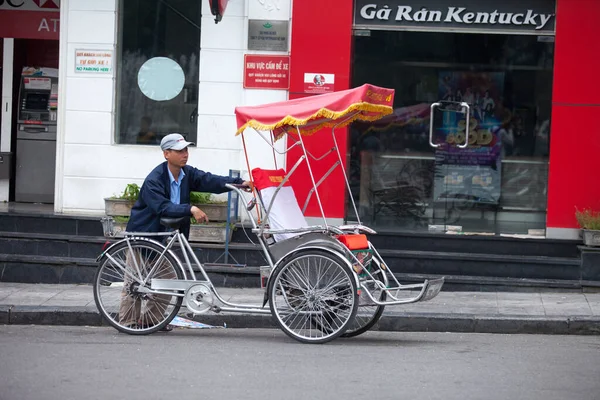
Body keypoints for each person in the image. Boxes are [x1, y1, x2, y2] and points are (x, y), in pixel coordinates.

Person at [119, 133, 252, 330]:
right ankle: (128, 322)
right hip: (145, 235)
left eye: (186, 150)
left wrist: (239, 183)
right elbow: (162, 207)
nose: (185, 154)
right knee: (134, 283)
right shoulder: (154, 180)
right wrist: (189, 209)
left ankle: (151, 320)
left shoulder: (186, 174)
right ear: (166, 153)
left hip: (164, 239)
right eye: (179, 150)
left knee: (168, 280)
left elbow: (210, 180)